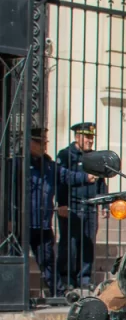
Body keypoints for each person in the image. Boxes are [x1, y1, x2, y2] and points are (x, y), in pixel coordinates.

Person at [10, 127, 92, 296]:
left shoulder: (48, 166)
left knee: (48, 260)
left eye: (44, 143)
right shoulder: (16, 164)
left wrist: (86, 177)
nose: (43, 147)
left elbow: (67, 176)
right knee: (16, 261)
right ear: (28, 143)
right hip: (21, 223)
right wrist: (10, 219)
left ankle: (58, 294)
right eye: (39, 143)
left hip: (42, 224)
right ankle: (16, 295)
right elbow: (8, 194)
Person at [56, 121, 107, 289]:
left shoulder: (94, 157)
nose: (90, 141)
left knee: (88, 244)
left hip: (90, 206)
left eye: (92, 138)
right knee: (69, 245)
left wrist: (105, 203)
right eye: (87, 137)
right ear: (77, 137)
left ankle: (84, 279)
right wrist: (61, 203)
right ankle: (67, 279)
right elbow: (60, 181)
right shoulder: (66, 156)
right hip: (71, 206)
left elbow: (101, 183)